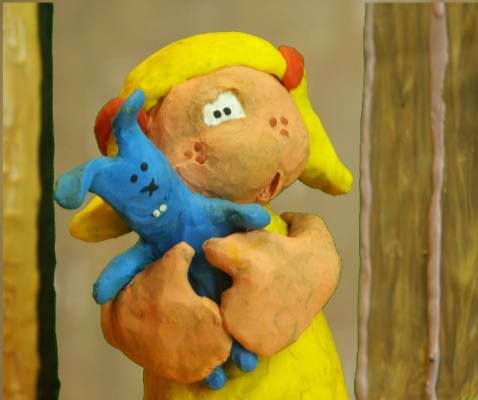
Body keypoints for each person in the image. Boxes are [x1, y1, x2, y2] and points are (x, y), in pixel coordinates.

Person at [70, 32, 352, 399]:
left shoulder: (294, 231)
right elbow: (120, 314)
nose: (277, 125)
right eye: (222, 111)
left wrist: (296, 274)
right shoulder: (162, 248)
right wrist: (160, 318)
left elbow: (320, 253)